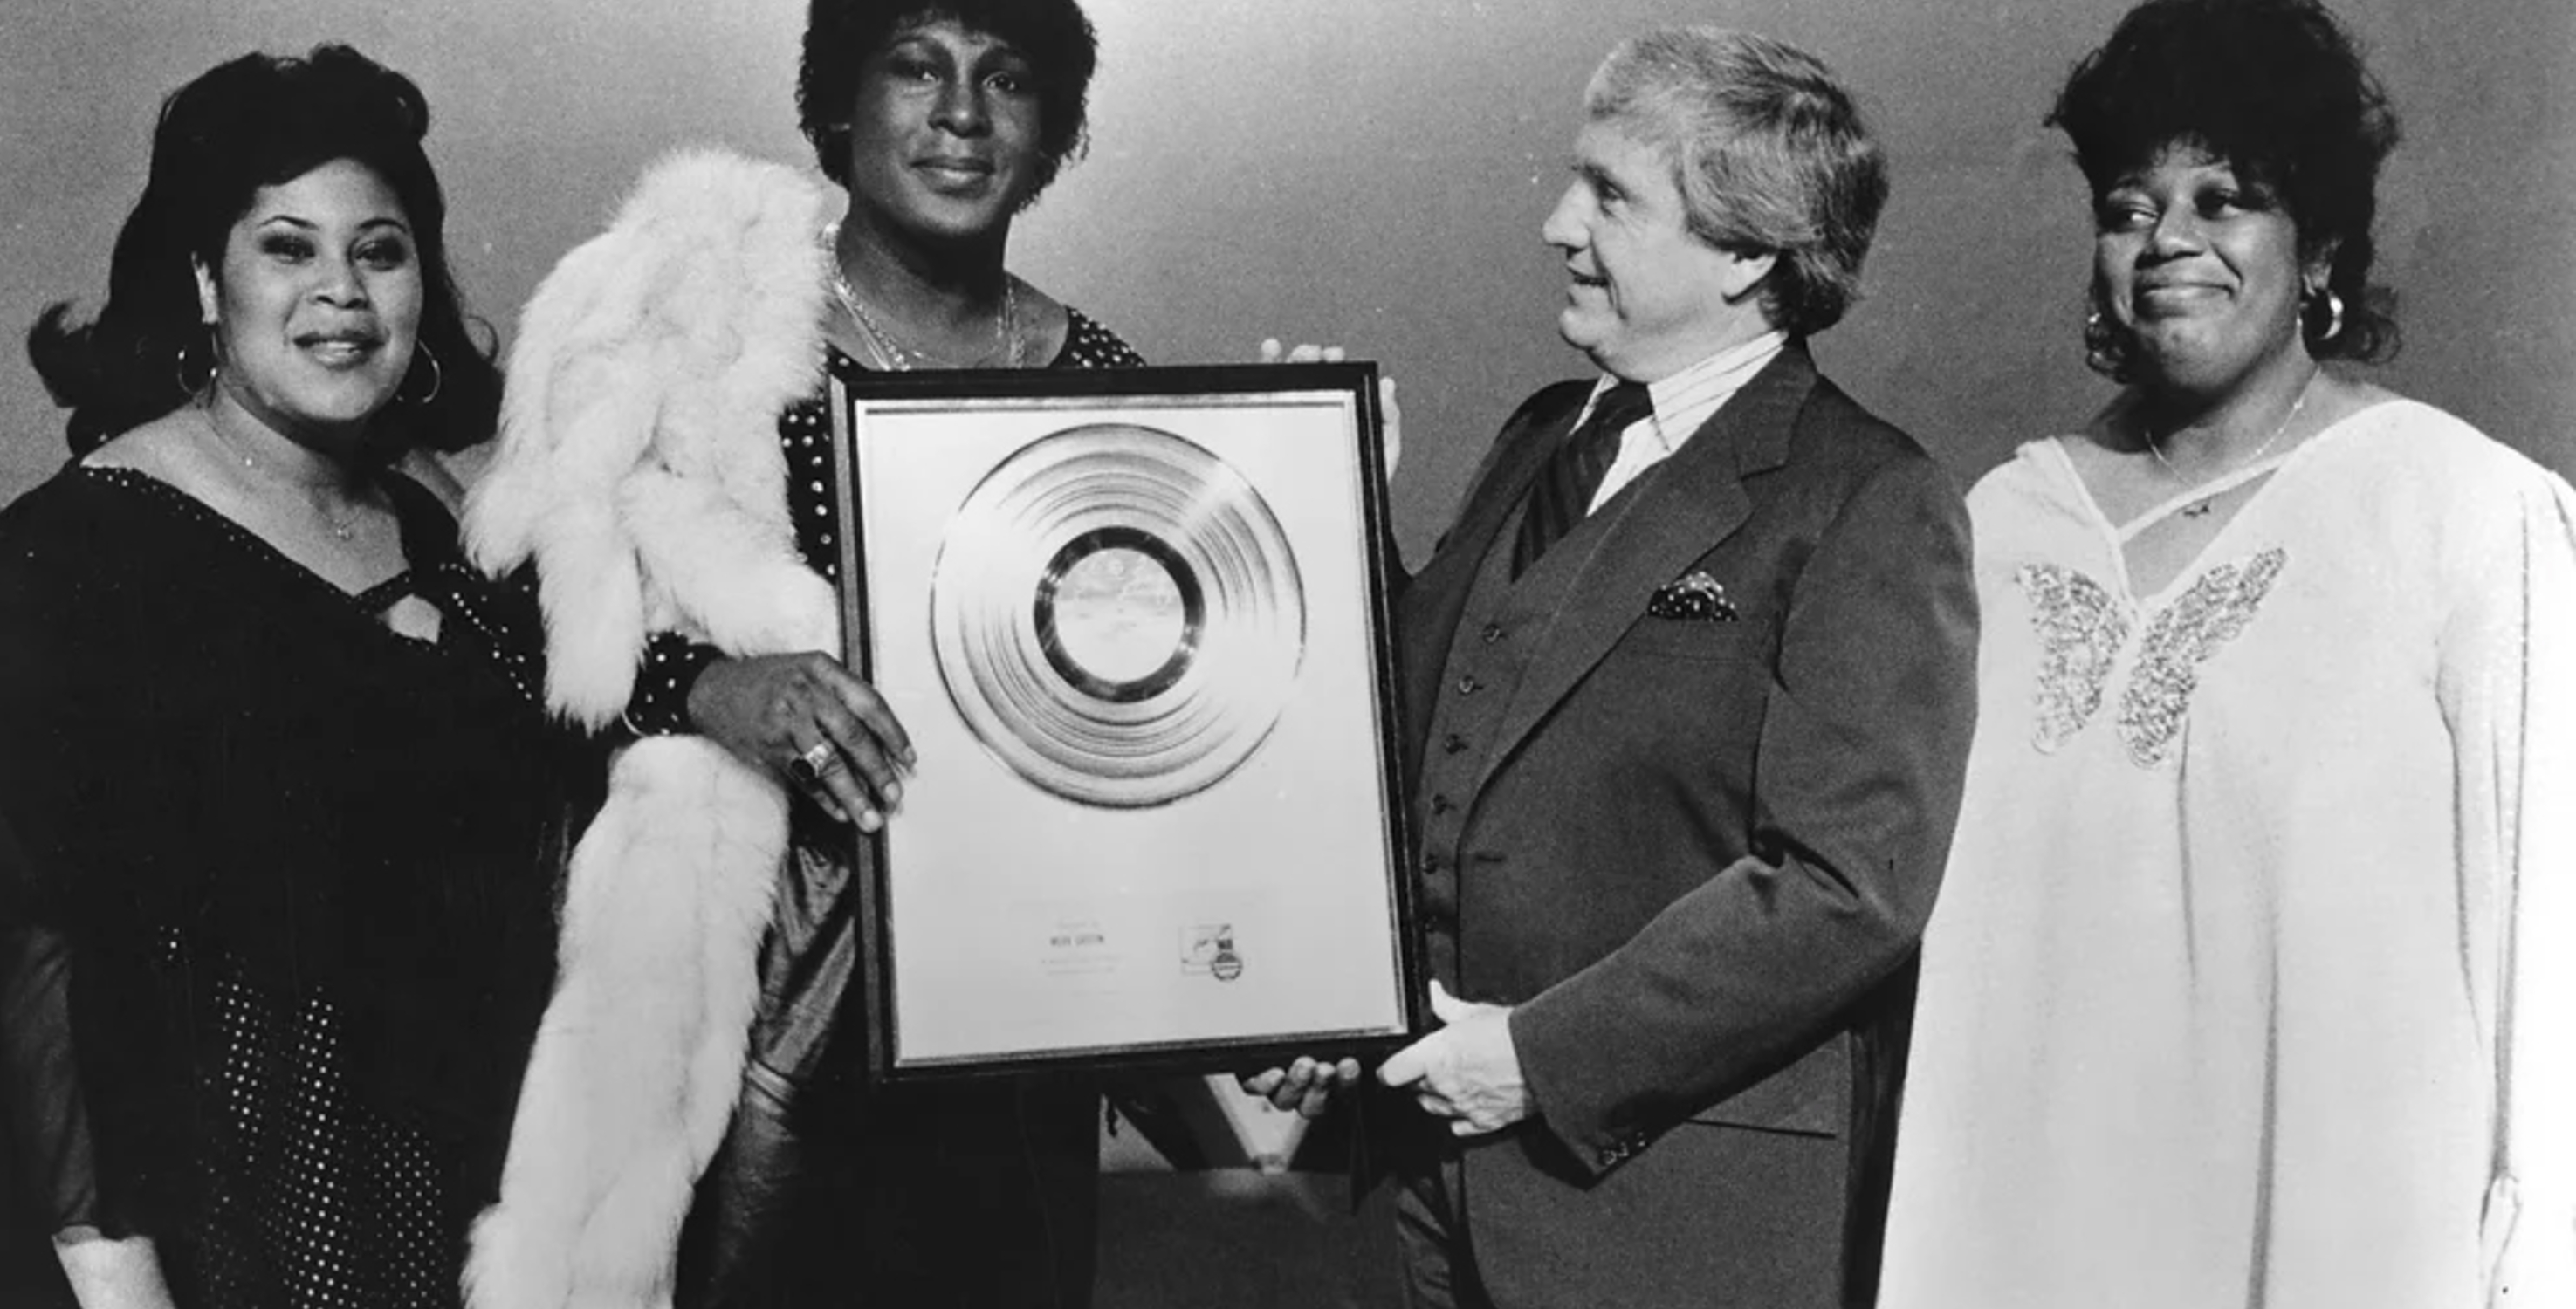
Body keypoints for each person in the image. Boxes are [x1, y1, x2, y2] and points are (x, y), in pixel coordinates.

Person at [1250, 25, 1976, 1309]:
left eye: (1608, 194)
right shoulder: (1545, 430)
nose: (1554, 222)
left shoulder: (1869, 496)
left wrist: (1538, 1058)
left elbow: (1848, 887)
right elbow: (1444, 733)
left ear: (1751, 252)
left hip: (1665, 1227)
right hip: (1417, 1201)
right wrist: (1329, 510)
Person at [1874, 1, 2576, 1304]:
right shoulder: (1999, 528)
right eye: (2131, 206)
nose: (2169, 241)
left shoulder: (2460, 513)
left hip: (2331, 1240)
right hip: (2028, 1236)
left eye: (2227, 197)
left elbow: (2551, 954)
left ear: (2322, 246)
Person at [457, 1, 1143, 1305]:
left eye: (1006, 79)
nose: (960, 114)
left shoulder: (1101, 373)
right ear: (837, 101)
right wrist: (702, 687)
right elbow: (498, 600)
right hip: (760, 993)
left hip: (1007, 1024)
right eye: (914, 67)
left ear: (1051, 132)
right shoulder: (697, 322)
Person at [0, 45, 580, 1309]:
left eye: (382, 250)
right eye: (287, 248)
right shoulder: (73, 553)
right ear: (205, 280)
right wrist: (113, 1279)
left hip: (495, 1183)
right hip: (249, 1214)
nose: (341, 293)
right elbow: (30, 960)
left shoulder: (442, 519)